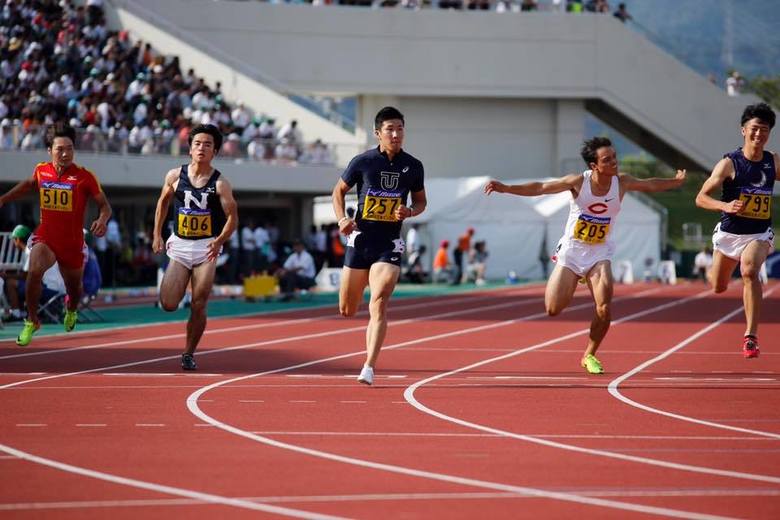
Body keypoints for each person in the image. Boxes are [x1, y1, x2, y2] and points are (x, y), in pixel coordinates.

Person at [485, 136, 686, 374]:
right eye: (607, 159)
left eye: (614, 157)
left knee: (604, 307)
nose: (614, 162)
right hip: (572, 252)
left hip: (599, 252)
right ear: (594, 166)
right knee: (553, 309)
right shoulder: (578, 182)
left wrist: (675, 181)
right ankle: (574, 279)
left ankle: (589, 354)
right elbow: (541, 188)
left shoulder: (621, 183)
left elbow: (650, 184)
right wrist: (507, 189)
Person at [332, 106, 427, 385]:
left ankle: (369, 366)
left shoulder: (414, 166)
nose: (396, 134)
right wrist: (341, 219)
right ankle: (358, 287)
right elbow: (338, 191)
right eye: (390, 129)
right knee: (347, 309)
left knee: (380, 301)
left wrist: (409, 211)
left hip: (389, 243)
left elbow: (421, 202)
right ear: (378, 133)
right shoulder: (362, 162)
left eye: (400, 128)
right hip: (360, 240)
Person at [0, 123, 112, 346]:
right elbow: (27, 186)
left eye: (69, 148)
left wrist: (101, 219)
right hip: (47, 237)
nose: (65, 154)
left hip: (72, 243)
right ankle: (32, 320)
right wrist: (4, 199)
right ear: (49, 150)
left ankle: (71, 308)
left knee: (75, 288)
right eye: (60, 149)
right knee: (34, 272)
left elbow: (105, 206)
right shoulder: (42, 170)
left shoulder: (85, 177)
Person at [695, 102, 778, 359]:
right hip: (730, 234)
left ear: (769, 133)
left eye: (764, 130)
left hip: (759, 234)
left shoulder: (772, 162)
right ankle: (717, 269)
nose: (758, 134)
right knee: (718, 286)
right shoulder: (729, 164)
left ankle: (750, 337)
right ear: (743, 130)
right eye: (754, 129)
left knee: (750, 270)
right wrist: (725, 205)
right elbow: (701, 197)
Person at [152, 124, 238, 370]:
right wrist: (157, 234)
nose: (202, 148)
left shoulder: (220, 183)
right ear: (189, 149)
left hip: (206, 248)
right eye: (198, 143)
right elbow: (162, 203)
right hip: (179, 245)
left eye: (208, 144)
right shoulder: (174, 176)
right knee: (168, 303)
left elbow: (233, 218)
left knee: (199, 302)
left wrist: (219, 241)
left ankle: (188, 353)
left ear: (215, 151)